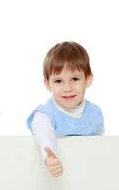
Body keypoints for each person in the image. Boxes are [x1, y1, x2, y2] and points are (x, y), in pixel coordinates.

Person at [27, 41, 104, 178]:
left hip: (86, 177)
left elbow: (100, 147)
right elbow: (44, 132)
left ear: (88, 79)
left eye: (74, 79)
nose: (67, 88)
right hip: (56, 181)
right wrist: (50, 156)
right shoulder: (45, 114)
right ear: (47, 84)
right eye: (58, 81)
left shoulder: (95, 113)